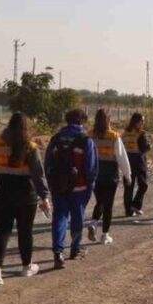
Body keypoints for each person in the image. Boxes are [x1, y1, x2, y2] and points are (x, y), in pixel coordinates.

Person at [0, 112, 51, 284]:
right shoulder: (31, 147)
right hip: (26, 195)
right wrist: (44, 197)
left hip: (3, 193)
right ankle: (26, 267)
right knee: (25, 232)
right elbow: (38, 175)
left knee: (1, 231)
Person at [45, 109, 97, 268]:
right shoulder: (86, 140)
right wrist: (90, 186)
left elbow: (47, 164)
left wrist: (52, 184)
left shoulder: (56, 139)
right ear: (82, 121)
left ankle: (58, 253)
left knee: (59, 218)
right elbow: (91, 168)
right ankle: (75, 249)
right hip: (79, 187)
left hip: (59, 187)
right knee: (77, 218)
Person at [87, 109, 131, 245]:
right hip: (110, 174)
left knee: (100, 200)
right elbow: (122, 157)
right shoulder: (114, 136)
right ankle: (105, 235)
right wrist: (127, 175)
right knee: (108, 205)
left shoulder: (89, 135)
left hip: (95, 173)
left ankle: (93, 222)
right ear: (108, 120)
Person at [122, 113, 151, 216]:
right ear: (136, 122)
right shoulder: (141, 134)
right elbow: (145, 148)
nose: (143, 123)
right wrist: (149, 146)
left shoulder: (124, 133)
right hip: (139, 161)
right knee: (143, 185)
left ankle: (128, 210)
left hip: (127, 160)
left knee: (128, 186)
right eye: (141, 121)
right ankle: (135, 205)